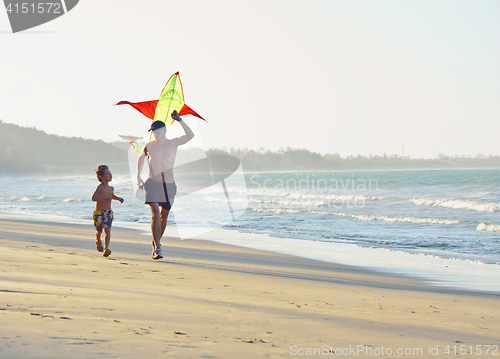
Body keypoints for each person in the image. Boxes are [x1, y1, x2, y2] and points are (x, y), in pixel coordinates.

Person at [136, 110, 194, 260]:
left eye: (157, 131)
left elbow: (190, 136)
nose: (155, 133)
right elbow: (141, 158)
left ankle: (156, 242)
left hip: (169, 185)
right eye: (153, 131)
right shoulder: (148, 146)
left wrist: (180, 120)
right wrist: (138, 177)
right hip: (152, 183)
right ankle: (158, 248)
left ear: (164, 130)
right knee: (155, 213)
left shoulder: (173, 143)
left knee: (163, 216)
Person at [91, 165, 124, 257]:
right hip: (99, 213)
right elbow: (93, 198)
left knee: (108, 230)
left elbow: (111, 196)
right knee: (99, 231)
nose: (110, 175)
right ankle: (98, 240)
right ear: (101, 177)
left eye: (110, 173)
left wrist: (118, 199)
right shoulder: (100, 187)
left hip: (108, 212)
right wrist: (103, 200)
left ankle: (106, 248)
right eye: (108, 173)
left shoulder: (111, 188)